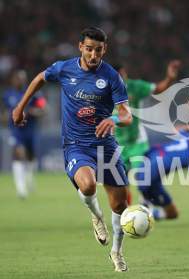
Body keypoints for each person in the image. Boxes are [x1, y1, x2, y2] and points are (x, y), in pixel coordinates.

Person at [12, 27, 133, 272]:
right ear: (80, 47)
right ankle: (96, 215)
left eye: (98, 50)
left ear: (104, 50)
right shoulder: (64, 68)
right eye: (89, 49)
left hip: (106, 145)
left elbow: (126, 115)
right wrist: (20, 107)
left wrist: (114, 120)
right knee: (87, 185)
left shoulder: (111, 77)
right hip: (76, 145)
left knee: (120, 205)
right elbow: (38, 79)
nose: (93, 54)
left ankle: (117, 252)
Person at [112, 61, 181, 204]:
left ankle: (145, 205)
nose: (120, 78)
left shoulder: (134, 87)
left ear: (125, 73)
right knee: (121, 185)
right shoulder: (103, 91)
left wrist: (169, 78)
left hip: (137, 141)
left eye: (122, 74)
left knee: (142, 176)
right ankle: (127, 213)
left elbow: (158, 89)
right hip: (117, 144)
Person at [135, 128, 189, 220]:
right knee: (172, 214)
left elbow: (175, 129)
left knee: (170, 211)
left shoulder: (187, 136)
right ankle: (142, 213)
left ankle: (145, 203)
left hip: (145, 162)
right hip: (149, 177)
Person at [3, 70, 46, 199]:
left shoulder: (35, 94)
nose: (19, 81)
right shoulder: (8, 95)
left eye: (22, 79)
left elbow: (44, 109)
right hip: (16, 131)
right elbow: (5, 113)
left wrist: (33, 111)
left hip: (30, 130)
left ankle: (30, 179)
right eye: (17, 78)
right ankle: (21, 189)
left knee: (31, 157)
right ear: (13, 80)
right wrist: (7, 118)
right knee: (18, 154)